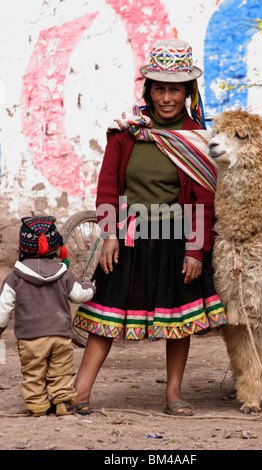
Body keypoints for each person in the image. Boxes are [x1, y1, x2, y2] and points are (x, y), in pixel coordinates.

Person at [73, 39, 226, 417]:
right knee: (105, 313)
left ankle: (174, 392)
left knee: (179, 318)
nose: (167, 98)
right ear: (149, 89)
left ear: (188, 92)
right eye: (160, 88)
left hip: (177, 239)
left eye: (175, 89)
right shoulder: (126, 133)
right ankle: (79, 392)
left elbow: (204, 202)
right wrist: (108, 233)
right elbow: (108, 187)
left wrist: (195, 250)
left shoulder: (196, 141)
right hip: (129, 237)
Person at [0, 215, 96, 416]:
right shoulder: (64, 273)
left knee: (33, 373)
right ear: (55, 247)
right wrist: (90, 287)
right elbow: (79, 295)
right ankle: (62, 402)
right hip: (60, 335)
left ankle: (37, 405)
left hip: (30, 339)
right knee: (61, 370)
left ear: (23, 247)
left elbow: (3, 309)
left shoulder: (15, 277)